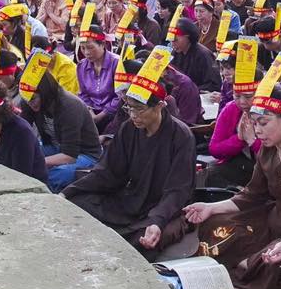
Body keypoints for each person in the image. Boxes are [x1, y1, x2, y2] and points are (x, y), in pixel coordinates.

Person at [177, 72, 281, 289]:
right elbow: (252, 194)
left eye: (264, 123)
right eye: (254, 123)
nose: (257, 131)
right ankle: (246, 262)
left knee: (271, 262)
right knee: (214, 225)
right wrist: (211, 208)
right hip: (275, 221)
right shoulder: (269, 148)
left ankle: (251, 263)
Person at [64, 49, 195, 253]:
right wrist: (69, 191)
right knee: (76, 204)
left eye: (139, 109)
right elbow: (108, 172)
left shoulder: (181, 136)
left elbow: (178, 189)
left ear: (160, 106)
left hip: (163, 207)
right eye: (129, 108)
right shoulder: (129, 128)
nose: (133, 115)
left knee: (143, 241)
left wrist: (157, 220)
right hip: (130, 199)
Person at [25, 53, 101, 188]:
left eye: (33, 99)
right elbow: (22, 129)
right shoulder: (28, 98)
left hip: (83, 153)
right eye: (26, 100)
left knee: (51, 175)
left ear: (44, 92)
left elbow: (69, 156)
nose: (30, 103)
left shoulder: (69, 105)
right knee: (23, 155)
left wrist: (38, 161)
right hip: (55, 146)